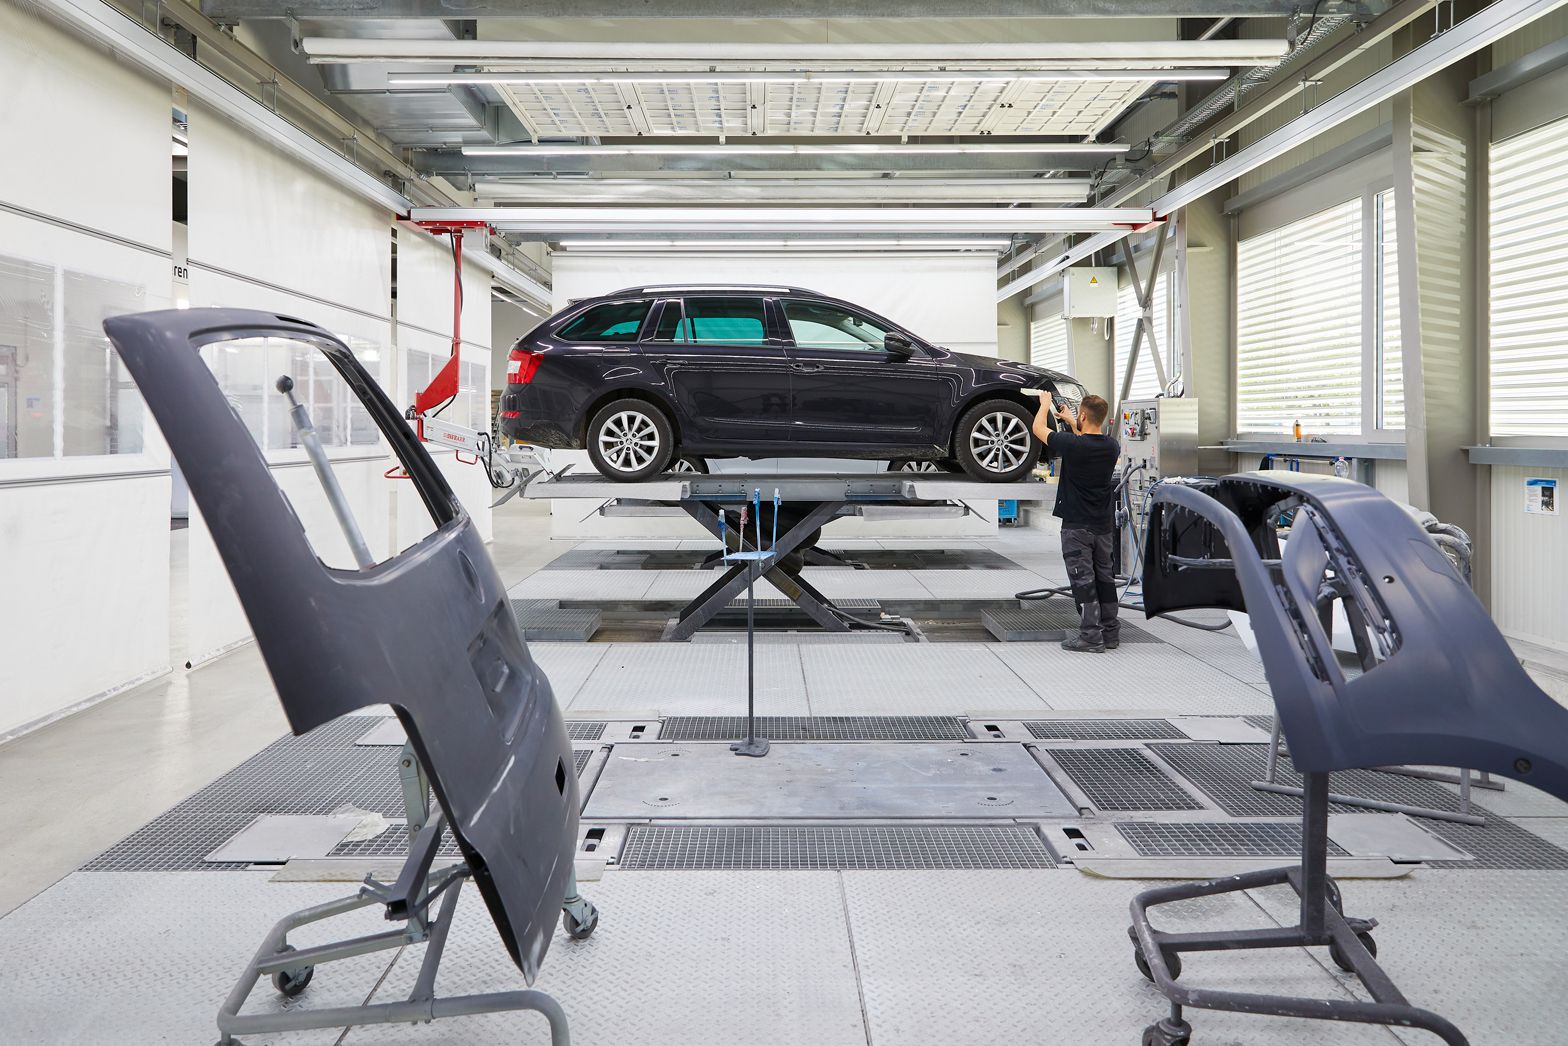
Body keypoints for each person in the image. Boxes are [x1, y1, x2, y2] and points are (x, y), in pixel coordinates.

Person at [1031, 393, 1120, 653]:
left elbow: (1038, 428)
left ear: (1083, 415)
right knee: (1105, 579)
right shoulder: (1111, 446)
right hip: (1102, 527)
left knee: (1084, 581)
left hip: (1077, 528)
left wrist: (1044, 405)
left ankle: (1091, 637)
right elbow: (1086, 441)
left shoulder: (1073, 444)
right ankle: (1110, 634)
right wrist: (1072, 421)